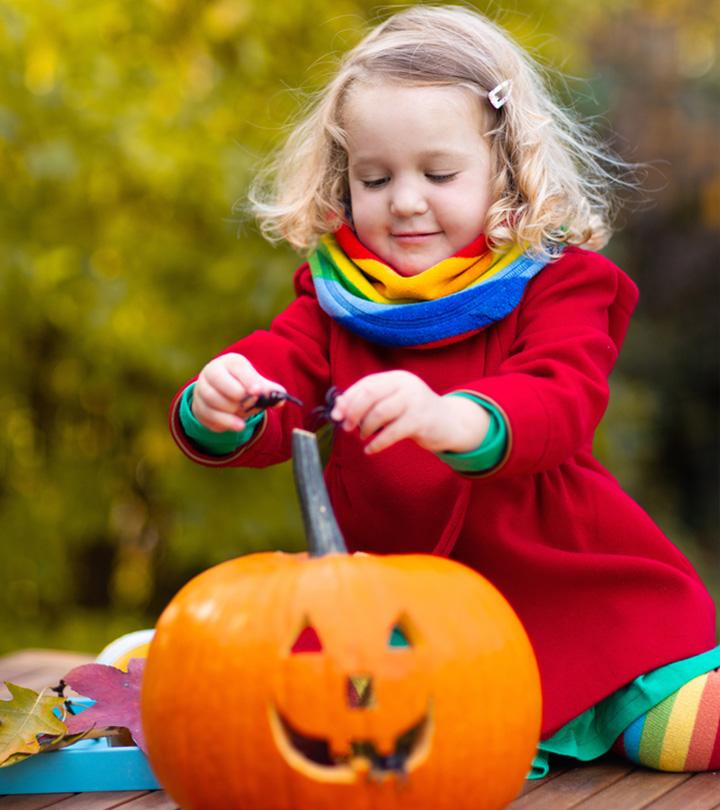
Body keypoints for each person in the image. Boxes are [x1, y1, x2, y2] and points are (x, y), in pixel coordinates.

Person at [169, 5, 719, 777]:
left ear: (507, 170)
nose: (405, 200)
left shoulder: (557, 285)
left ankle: (628, 707)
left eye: (439, 173)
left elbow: (562, 397)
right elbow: (276, 388)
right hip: (416, 637)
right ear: (343, 180)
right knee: (429, 765)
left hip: (576, 594)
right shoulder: (336, 301)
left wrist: (457, 416)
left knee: (686, 739)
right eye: (375, 177)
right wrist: (218, 401)